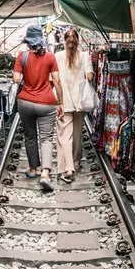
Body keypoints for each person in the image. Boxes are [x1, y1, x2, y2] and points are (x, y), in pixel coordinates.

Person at [13, 25, 64, 191]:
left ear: (28, 42)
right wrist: (61, 102)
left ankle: (33, 169)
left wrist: (24, 77)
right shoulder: (50, 57)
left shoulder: (22, 56)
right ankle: (45, 174)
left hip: (25, 103)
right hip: (47, 104)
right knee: (47, 138)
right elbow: (56, 81)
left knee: (30, 136)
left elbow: (16, 79)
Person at [54, 29, 94, 183]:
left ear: (64, 41)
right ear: (78, 41)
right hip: (80, 101)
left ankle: (68, 167)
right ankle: (75, 162)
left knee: (65, 135)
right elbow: (89, 76)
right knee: (77, 134)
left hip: (63, 100)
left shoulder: (57, 56)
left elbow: (54, 79)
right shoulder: (84, 56)